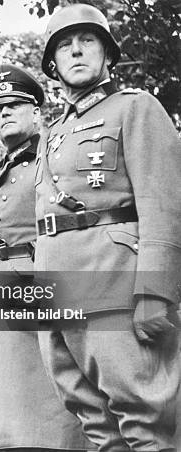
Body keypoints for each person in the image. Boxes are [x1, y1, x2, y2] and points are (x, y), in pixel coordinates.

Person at [35, 4, 181, 451]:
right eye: (63, 45)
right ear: (53, 64)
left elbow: (164, 204)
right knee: (95, 425)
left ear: (108, 55)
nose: (75, 51)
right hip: (57, 289)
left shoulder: (136, 108)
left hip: (115, 280)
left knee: (144, 421)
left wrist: (156, 291)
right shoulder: (52, 132)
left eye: (87, 41)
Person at [0, 63, 89, 452]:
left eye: (15, 106)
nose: (4, 114)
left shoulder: (52, 153)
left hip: (35, 284)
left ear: (37, 112)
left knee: (47, 411)